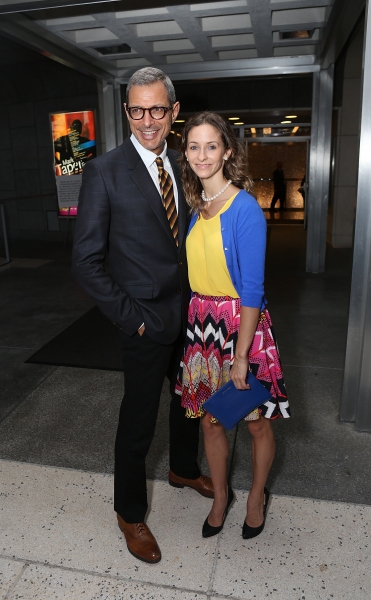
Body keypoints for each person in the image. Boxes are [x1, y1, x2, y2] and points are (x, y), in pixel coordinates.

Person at [72, 68, 213, 565]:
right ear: (126, 111)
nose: (147, 120)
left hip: (191, 315)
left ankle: (181, 468)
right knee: (138, 420)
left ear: (173, 112)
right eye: (137, 110)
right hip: (143, 321)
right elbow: (86, 262)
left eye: (157, 109)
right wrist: (130, 318)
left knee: (187, 402)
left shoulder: (186, 162)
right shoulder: (105, 171)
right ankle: (129, 512)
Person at [175, 112, 290, 540]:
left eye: (211, 146)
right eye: (193, 146)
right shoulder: (197, 207)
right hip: (203, 329)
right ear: (185, 153)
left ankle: (257, 497)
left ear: (226, 151)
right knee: (210, 421)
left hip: (241, 327)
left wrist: (241, 356)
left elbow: (253, 291)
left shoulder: (244, 209)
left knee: (256, 421)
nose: (202, 155)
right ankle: (221, 498)